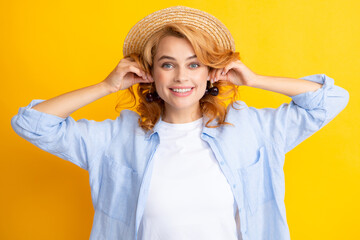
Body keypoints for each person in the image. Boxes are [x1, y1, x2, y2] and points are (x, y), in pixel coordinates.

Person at [11, 5, 349, 240]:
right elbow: (32, 123)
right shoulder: (116, 138)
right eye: (168, 64)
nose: (181, 77)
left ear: (210, 72)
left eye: (194, 64)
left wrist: (256, 79)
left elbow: (331, 100)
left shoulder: (253, 129)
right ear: (150, 73)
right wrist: (106, 86)